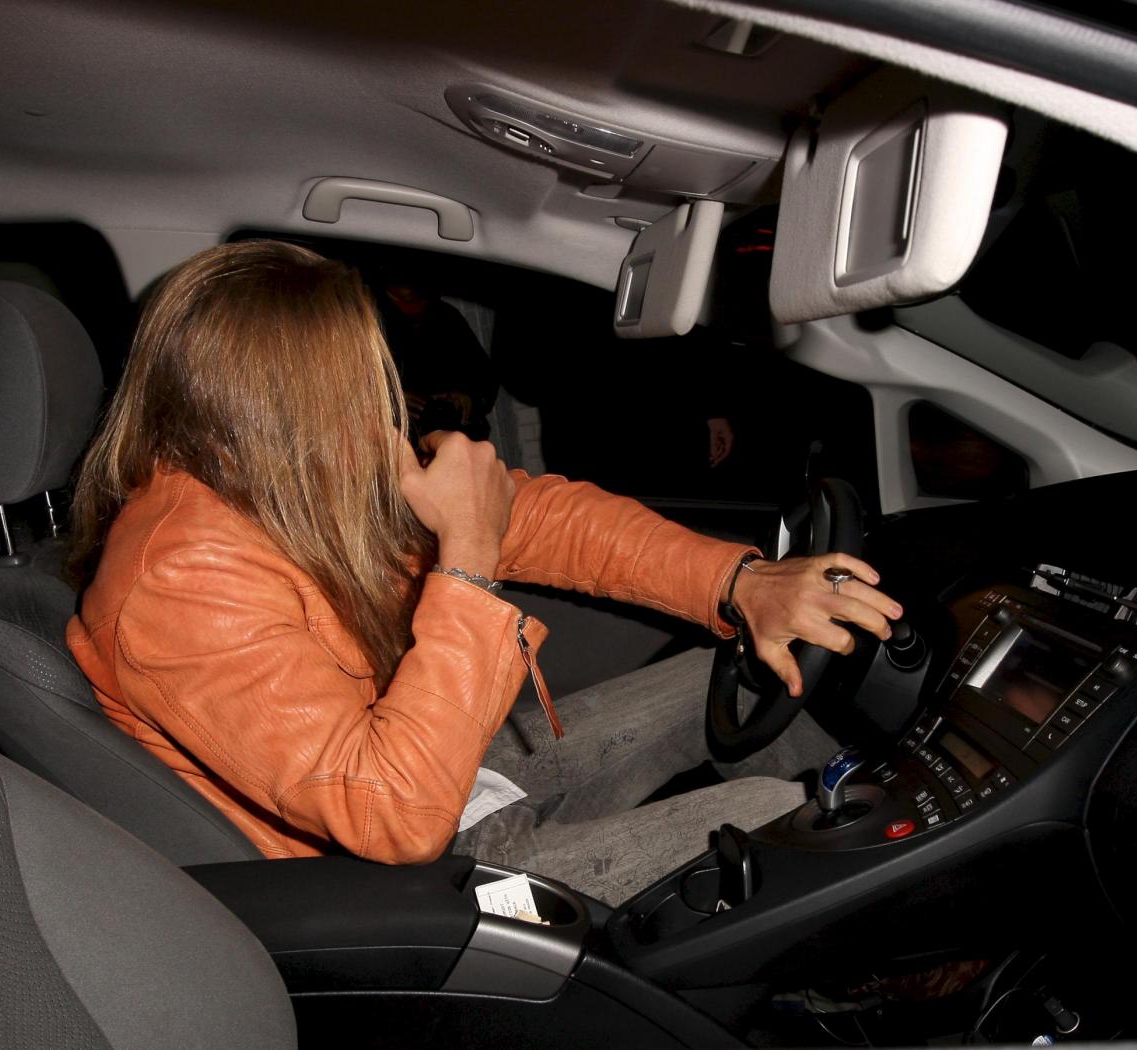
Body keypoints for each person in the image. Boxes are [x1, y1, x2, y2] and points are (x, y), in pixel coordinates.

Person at [65, 240, 901, 905]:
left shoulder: (278, 480)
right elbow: (394, 818)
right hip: (408, 882)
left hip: (451, 772)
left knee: (734, 684)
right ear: (282, 404)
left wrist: (738, 582)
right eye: (356, 381)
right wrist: (465, 559)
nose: (384, 402)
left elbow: (542, 519)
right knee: (787, 826)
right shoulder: (179, 578)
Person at [375, 279, 498, 443]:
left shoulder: (447, 316)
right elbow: (354, 391)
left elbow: (486, 379)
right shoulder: (367, 321)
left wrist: (468, 399)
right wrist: (390, 400)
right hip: (400, 440)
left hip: (456, 434)